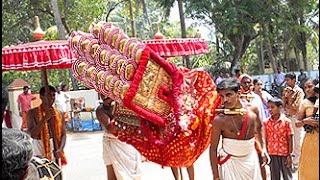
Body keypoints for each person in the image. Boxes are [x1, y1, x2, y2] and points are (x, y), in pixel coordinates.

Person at [210, 78, 269, 180]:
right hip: (230, 164)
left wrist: (264, 149)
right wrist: (216, 176)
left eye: (228, 95)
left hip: (251, 161)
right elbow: (213, 150)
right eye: (222, 96)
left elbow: (260, 128)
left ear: (238, 93)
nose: (225, 100)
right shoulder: (219, 120)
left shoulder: (253, 110)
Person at [96, 94, 142, 180]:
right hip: (111, 143)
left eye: (106, 93)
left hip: (128, 145)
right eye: (101, 95)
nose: (104, 97)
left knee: (132, 176)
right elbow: (111, 129)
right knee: (112, 174)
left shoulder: (127, 105)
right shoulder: (101, 109)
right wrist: (116, 109)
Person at [26, 85, 67, 166]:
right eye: (48, 95)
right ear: (41, 96)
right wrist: (45, 118)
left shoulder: (59, 113)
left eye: (53, 95)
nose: (51, 98)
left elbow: (63, 135)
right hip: (39, 146)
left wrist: (60, 149)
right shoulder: (32, 113)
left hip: (55, 147)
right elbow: (33, 135)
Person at [295, 78, 319, 180]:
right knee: (311, 169)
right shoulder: (305, 103)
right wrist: (305, 121)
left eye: (310, 87)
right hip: (311, 141)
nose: (307, 90)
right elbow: (297, 123)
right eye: (305, 88)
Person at [264, 98, 293, 180]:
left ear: (280, 108)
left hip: (284, 154)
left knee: (287, 175)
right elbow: (266, 138)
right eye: (268, 107)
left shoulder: (286, 122)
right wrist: (266, 153)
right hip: (272, 153)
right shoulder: (266, 122)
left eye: (272, 107)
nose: (270, 110)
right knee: (274, 176)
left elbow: (290, 138)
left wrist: (289, 155)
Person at [282, 73, 305, 172]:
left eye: (288, 80)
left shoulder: (299, 91)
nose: (286, 82)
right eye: (286, 80)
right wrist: (285, 98)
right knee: (287, 138)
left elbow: (296, 106)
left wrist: (289, 99)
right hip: (287, 117)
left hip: (295, 118)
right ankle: (290, 160)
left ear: (293, 80)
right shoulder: (286, 90)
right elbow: (283, 104)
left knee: (297, 139)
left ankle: (297, 161)